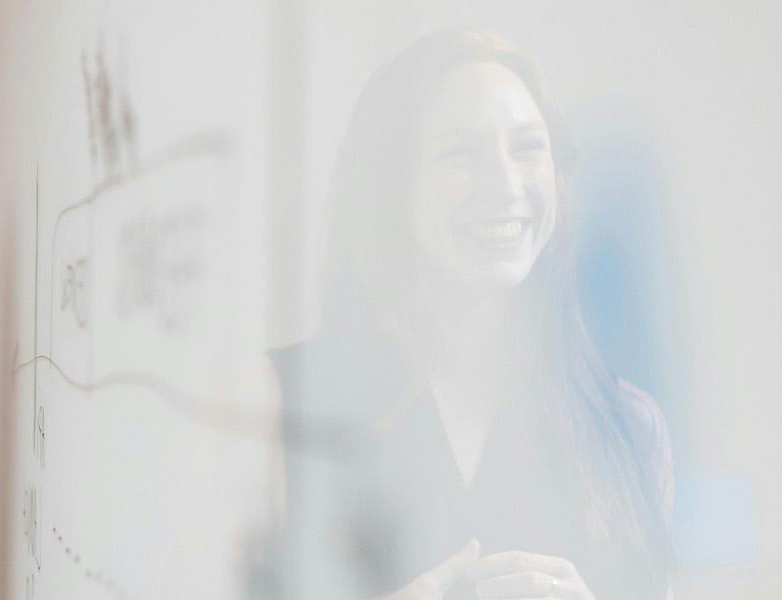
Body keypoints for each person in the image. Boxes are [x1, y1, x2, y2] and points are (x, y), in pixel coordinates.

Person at [257, 28, 673, 599]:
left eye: (528, 148)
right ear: (389, 186)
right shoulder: (279, 406)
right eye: (461, 155)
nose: (505, 186)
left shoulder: (630, 429)